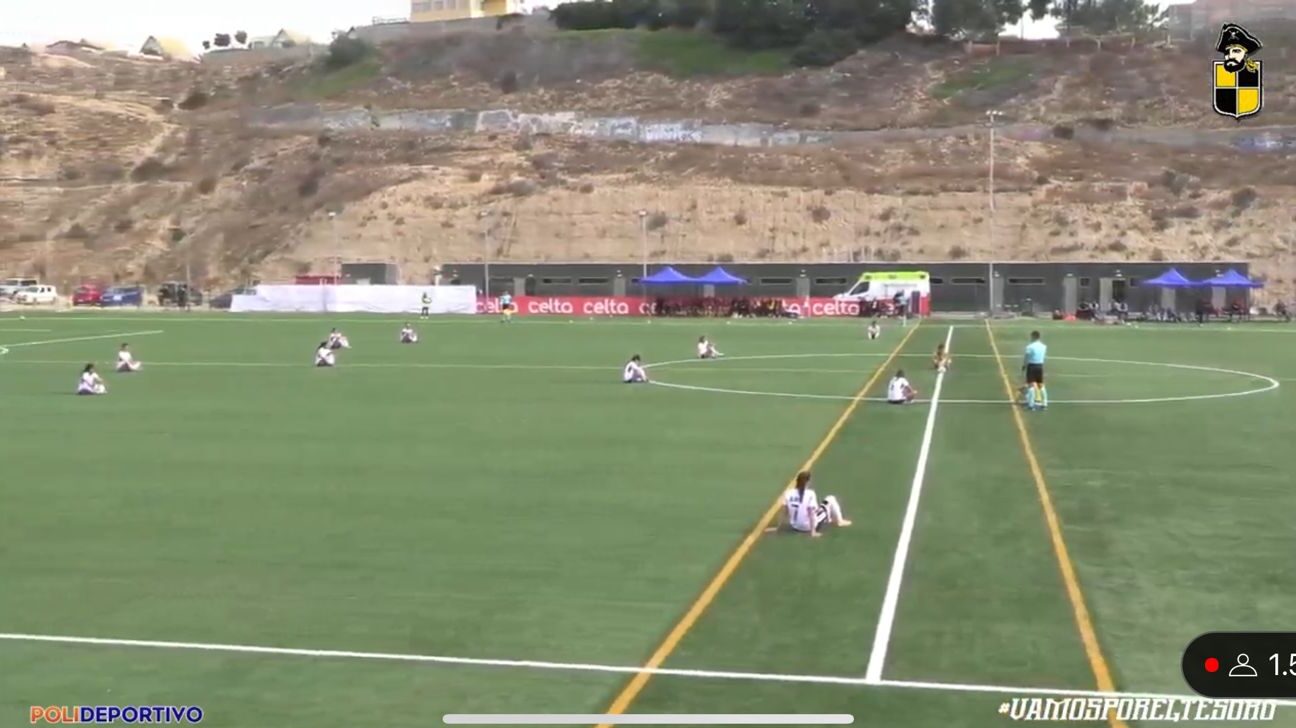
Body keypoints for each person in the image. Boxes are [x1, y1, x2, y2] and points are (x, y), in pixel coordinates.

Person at [766, 471, 851, 538]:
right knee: (830, 499)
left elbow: (784, 512)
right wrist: (813, 532)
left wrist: (777, 528)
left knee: (821, 511)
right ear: (807, 482)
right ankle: (839, 521)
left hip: (795, 525)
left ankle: (829, 518)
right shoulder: (810, 493)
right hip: (808, 526)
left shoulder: (788, 493)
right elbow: (811, 512)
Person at [1022, 330, 1048, 410]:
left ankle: (1031, 404)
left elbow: (1026, 357)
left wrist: (1024, 365)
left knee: (1031, 386)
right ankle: (1045, 403)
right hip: (1040, 366)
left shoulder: (1030, 346)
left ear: (1033, 336)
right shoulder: (1044, 346)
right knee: (1040, 385)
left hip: (1032, 367)